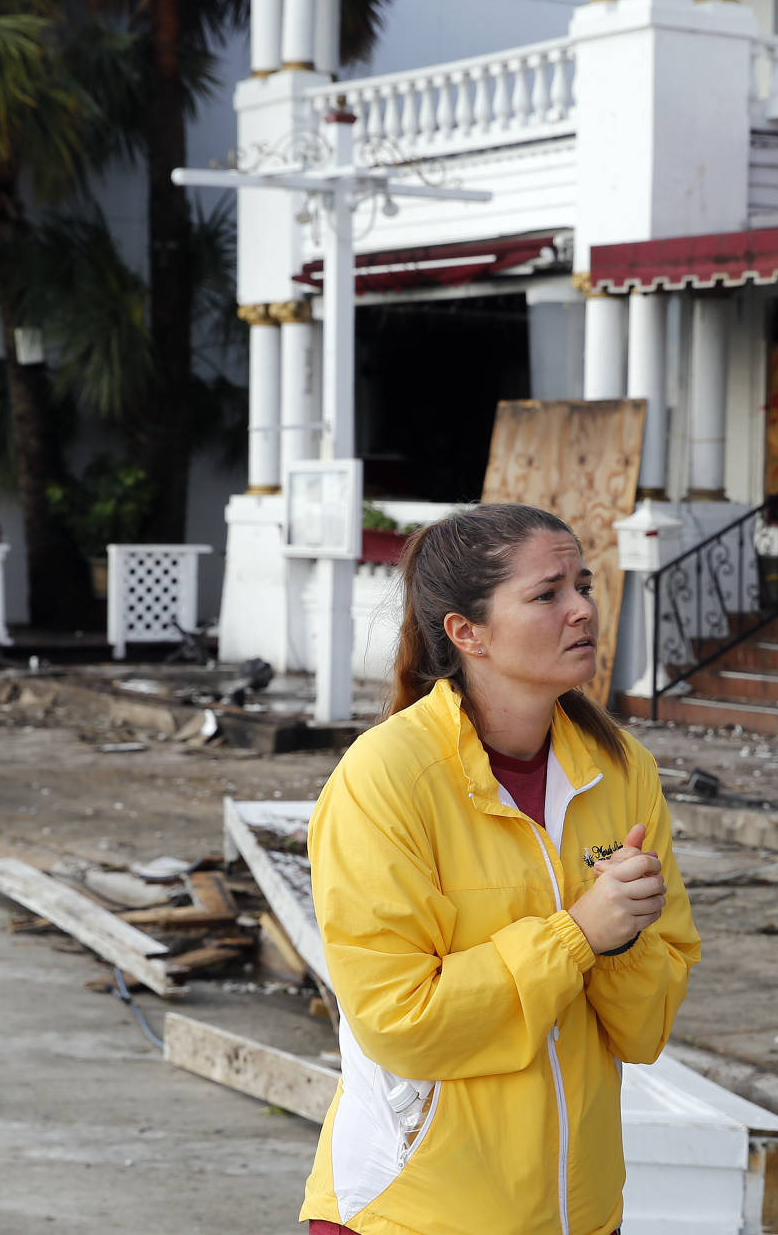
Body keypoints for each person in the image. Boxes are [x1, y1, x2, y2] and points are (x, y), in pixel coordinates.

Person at [299, 503, 701, 1235]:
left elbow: (646, 1032)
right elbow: (401, 1021)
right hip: (416, 1212)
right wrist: (577, 935)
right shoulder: (387, 777)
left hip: (578, 1213)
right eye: (547, 594)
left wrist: (618, 945)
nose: (582, 609)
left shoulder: (618, 769)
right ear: (466, 633)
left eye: (583, 584)